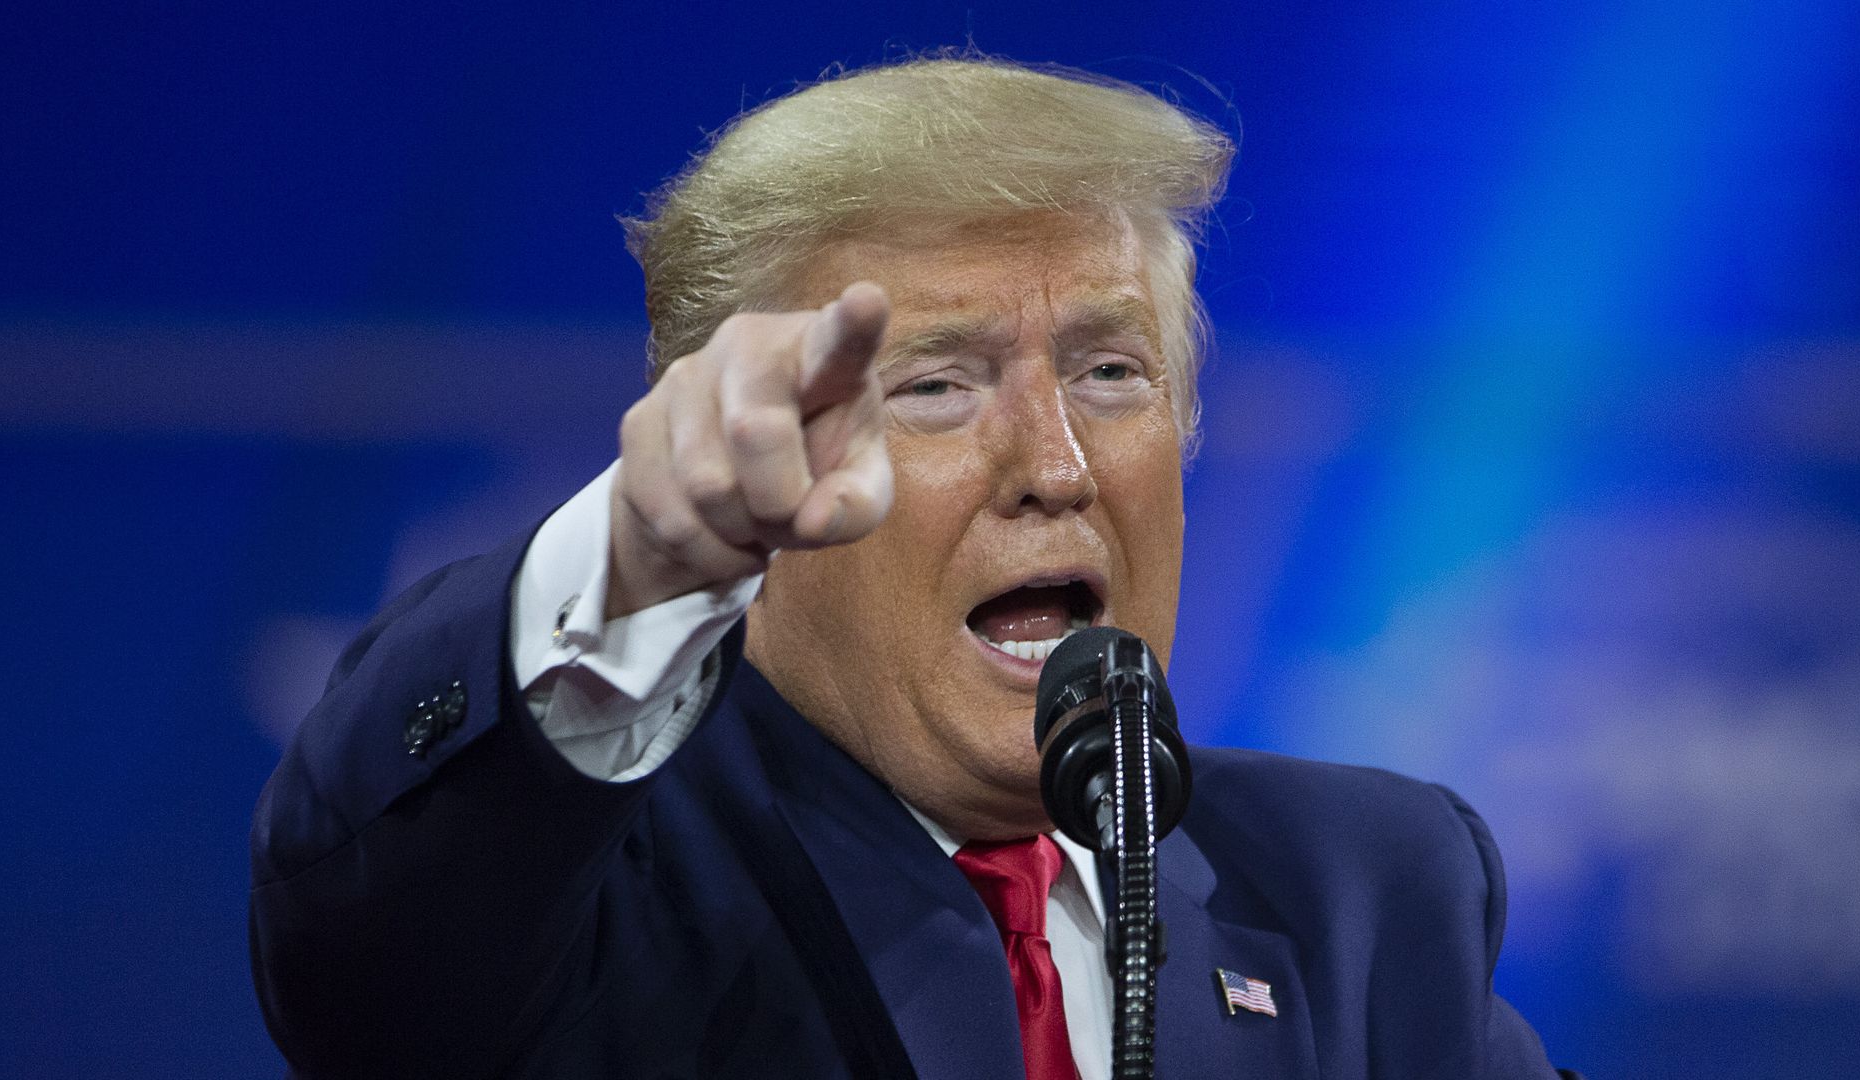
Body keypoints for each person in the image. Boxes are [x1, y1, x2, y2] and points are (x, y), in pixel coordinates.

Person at [250, 54, 1578, 1079]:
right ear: (751, 463)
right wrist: (632, 555)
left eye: (1111, 372)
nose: (1056, 464)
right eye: (938, 385)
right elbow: (361, 930)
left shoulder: (1363, 889)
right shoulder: (587, 892)